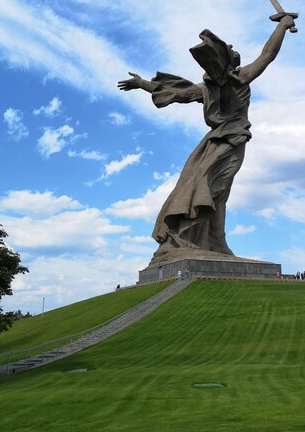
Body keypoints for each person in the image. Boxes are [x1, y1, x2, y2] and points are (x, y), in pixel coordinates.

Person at [118, 16, 295, 265]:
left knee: (217, 191)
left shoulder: (239, 77)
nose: (231, 50)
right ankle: (209, 241)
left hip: (231, 140)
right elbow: (177, 94)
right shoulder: (209, 87)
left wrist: (282, 26)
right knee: (206, 188)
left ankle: (215, 241)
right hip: (218, 142)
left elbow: (268, 53)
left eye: (231, 50)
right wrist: (142, 84)